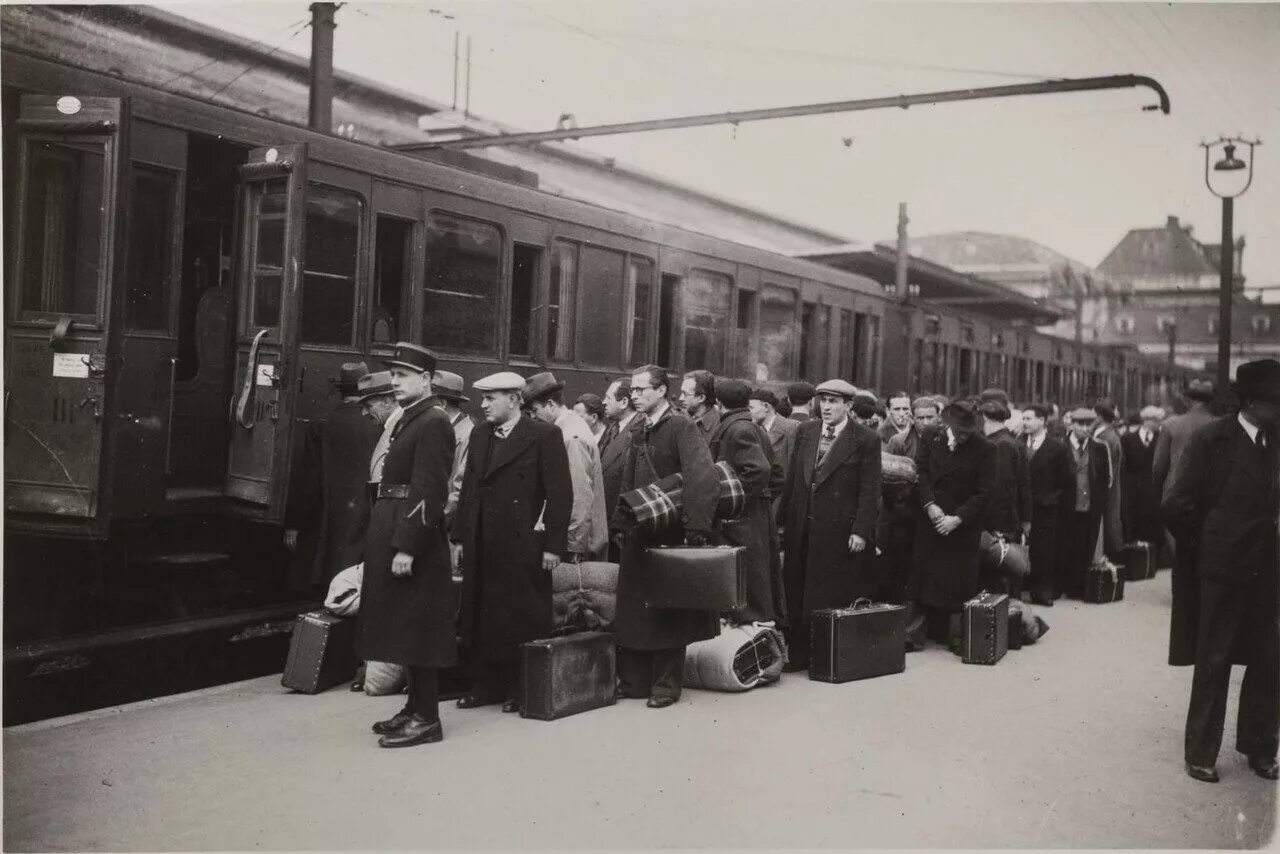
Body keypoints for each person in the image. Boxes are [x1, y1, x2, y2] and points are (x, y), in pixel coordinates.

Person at [1163, 359, 1280, 784]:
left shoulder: (1277, 440)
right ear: (1252, 403)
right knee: (1214, 660)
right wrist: (1206, 548)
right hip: (1224, 568)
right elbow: (1176, 505)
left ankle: (1261, 747)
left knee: (1271, 660)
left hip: (1270, 571)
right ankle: (1201, 753)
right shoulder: (1212, 439)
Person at [355, 343, 457, 749]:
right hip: (396, 528)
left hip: (412, 537)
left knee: (418, 627)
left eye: (402, 375)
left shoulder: (432, 421)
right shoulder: (412, 418)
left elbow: (430, 489)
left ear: (426, 380)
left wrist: (407, 547)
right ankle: (415, 708)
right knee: (405, 624)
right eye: (392, 375)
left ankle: (428, 717)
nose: (394, 382)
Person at [454, 372, 572, 714]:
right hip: (481, 539)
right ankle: (485, 684)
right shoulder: (480, 435)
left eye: (492, 398)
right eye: (483, 397)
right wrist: (460, 536)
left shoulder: (544, 435)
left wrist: (553, 545)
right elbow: (469, 490)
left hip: (522, 544)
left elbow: (560, 494)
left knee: (520, 614)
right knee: (480, 612)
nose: (484, 404)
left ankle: (520, 686)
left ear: (515, 400)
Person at [612, 365, 719, 708]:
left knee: (668, 611)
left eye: (642, 389)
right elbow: (627, 480)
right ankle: (635, 682)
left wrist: (696, 530)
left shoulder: (680, 425)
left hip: (670, 532)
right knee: (636, 609)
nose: (635, 395)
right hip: (639, 530)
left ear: (661, 391)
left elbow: (702, 477)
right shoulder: (640, 427)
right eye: (633, 389)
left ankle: (665, 686)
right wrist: (619, 522)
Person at [778, 379, 881, 670]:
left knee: (828, 591)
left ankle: (825, 656)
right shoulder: (806, 431)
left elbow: (870, 489)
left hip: (838, 530)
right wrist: (783, 522)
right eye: (822, 401)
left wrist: (861, 530)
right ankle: (797, 654)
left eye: (833, 402)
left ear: (848, 406)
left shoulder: (865, 439)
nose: (826, 407)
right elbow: (793, 480)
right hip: (803, 525)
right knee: (797, 588)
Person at [284, 361, 383, 592]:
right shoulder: (378, 425)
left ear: (341, 390)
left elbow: (309, 480)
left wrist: (294, 523)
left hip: (328, 522)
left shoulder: (322, 424)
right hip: (365, 519)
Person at [911, 399, 994, 643]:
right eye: (959, 432)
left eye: (968, 433)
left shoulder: (985, 448)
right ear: (949, 425)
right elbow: (921, 472)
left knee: (958, 584)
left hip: (962, 526)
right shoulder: (930, 436)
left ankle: (957, 637)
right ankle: (914, 634)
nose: (963, 438)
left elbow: (985, 493)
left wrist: (958, 518)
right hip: (931, 519)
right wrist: (929, 504)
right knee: (922, 578)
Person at [709, 379, 783, 624]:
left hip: (740, 521)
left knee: (748, 593)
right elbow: (777, 475)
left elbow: (759, 470)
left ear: (718, 403)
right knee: (756, 583)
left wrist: (735, 500)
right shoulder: (754, 428)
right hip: (753, 517)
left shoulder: (737, 429)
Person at [524, 372, 609, 561]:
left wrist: (573, 547)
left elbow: (579, 497)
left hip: (575, 546)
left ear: (550, 405)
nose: (533, 418)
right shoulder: (568, 428)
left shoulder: (571, 437)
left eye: (535, 411)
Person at [1154, 378, 1218, 610]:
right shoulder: (1219, 424)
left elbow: (1158, 466)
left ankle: (1180, 593)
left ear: (1188, 399)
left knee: (1179, 547)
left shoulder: (1171, 425)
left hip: (1174, 493)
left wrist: (1158, 490)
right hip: (1208, 496)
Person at [978, 389, 1032, 597]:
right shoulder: (1013, 442)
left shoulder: (998, 445)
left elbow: (999, 492)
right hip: (1010, 524)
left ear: (984, 416)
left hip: (999, 527)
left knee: (997, 584)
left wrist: (995, 528)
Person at [1057, 405, 1112, 599]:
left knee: (1087, 544)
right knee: (1066, 544)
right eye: (1081, 424)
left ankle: (1081, 586)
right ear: (1071, 424)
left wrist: (1101, 504)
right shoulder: (1060, 446)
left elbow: (1105, 479)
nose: (1085, 428)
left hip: (1090, 505)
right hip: (1066, 505)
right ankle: (1064, 584)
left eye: (1089, 424)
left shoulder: (1099, 447)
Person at [1021, 403, 1074, 606]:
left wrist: (1053, 499)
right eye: (1023, 419)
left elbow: (1067, 480)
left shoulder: (1057, 447)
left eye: (1028, 419)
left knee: (1044, 549)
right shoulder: (1018, 443)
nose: (1024, 423)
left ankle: (1042, 590)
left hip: (1046, 507)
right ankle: (1022, 587)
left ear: (1042, 421)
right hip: (1023, 506)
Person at [432, 370, 473, 574]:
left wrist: (435, 519)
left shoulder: (466, 435)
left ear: (441, 403)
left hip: (445, 529)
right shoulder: (453, 430)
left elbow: (459, 490)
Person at [600, 378, 641, 560]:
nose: (603, 402)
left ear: (624, 402)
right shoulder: (613, 428)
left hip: (622, 525)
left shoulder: (638, 431)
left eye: (608, 398)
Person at [1120, 405, 1164, 546]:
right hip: (1134, 492)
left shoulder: (1162, 440)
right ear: (1147, 421)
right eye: (1157, 421)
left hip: (1154, 492)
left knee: (1152, 528)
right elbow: (1124, 468)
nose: (1160, 424)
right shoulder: (1127, 439)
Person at [748, 386, 798, 508]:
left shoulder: (791, 429)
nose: (748, 412)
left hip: (781, 502)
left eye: (751, 408)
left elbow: (795, 471)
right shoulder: (752, 430)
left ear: (766, 407)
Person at [1093, 400, 1125, 561]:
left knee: (1109, 523)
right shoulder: (1105, 434)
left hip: (1107, 490)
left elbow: (1109, 470)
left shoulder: (1107, 438)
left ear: (1099, 416)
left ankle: (1112, 558)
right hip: (1107, 490)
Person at [886, 396, 938, 461]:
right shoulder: (898, 442)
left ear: (938, 417)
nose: (925, 423)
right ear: (912, 419)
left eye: (930, 417)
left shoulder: (949, 438)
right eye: (920, 418)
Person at [680, 369, 720, 445]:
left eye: (685, 394)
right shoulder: (682, 418)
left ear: (701, 398)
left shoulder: (718, 427)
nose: (680, 398)